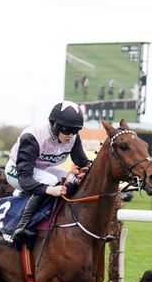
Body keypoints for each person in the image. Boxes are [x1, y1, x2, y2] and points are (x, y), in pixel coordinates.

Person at [5, 101, 90, 244]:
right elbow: (25, 178)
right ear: (54, 125)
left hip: (43, 169)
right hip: (17, 171)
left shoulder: (73, 137)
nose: (71, 135)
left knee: (72, 180)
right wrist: (49, 190)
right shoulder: (32, 136)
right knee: (50, 181)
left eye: (75, 131)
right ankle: (22, 226)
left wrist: (85, 172)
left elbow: (83, 162)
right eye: (68, 130)